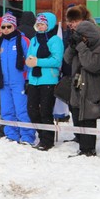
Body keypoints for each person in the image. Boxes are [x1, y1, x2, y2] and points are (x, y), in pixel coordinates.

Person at [64, 21, 100, 157]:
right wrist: (72, 47)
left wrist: (81, 47)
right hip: (77, 88)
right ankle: (82, 147)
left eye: (83, 37)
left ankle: (89, 149)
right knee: (78, 117)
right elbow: (67, 59)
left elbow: (92, 65)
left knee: (88, 118)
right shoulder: (80, 47)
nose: (81, 40)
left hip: (92, 89)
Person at [0, 13, 34, 145]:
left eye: (9, 26)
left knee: (22, 110)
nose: (6, 29)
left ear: (14, 26)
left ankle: (27, 136)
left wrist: (28, 80)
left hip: (19, 81)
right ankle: (12, 135)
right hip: (4, 83)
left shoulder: (23, 40)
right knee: (7, 111)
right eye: (3, 27)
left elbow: (30, 61)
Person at [25, 12, 64, 151]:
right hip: (34, 79)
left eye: (43, 24)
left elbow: (57, 60)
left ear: (49, 25)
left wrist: (38, 62)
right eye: (39, 24)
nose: (40, 27)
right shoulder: (34, 39)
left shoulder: (55, 40)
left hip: (48, 79)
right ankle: (42, 135)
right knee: (32, 110)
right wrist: (29, 63)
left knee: (45, 111)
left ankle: (47, 140)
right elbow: (29, 56)